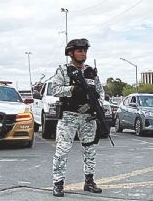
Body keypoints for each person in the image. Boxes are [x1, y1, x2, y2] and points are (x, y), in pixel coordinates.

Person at [52, 38, 104, 197]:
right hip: (69, 116)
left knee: (90, 149)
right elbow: (55, 90)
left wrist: (94, 102)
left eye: (85, 51)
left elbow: (100, 92)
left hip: (88, 117)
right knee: (62, 149)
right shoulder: (63, 70)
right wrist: (73, 89)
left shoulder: (91, 72)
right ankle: (58, 183)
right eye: (80, 51)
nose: (83, 54)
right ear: (71, 53)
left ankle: (89, 181)